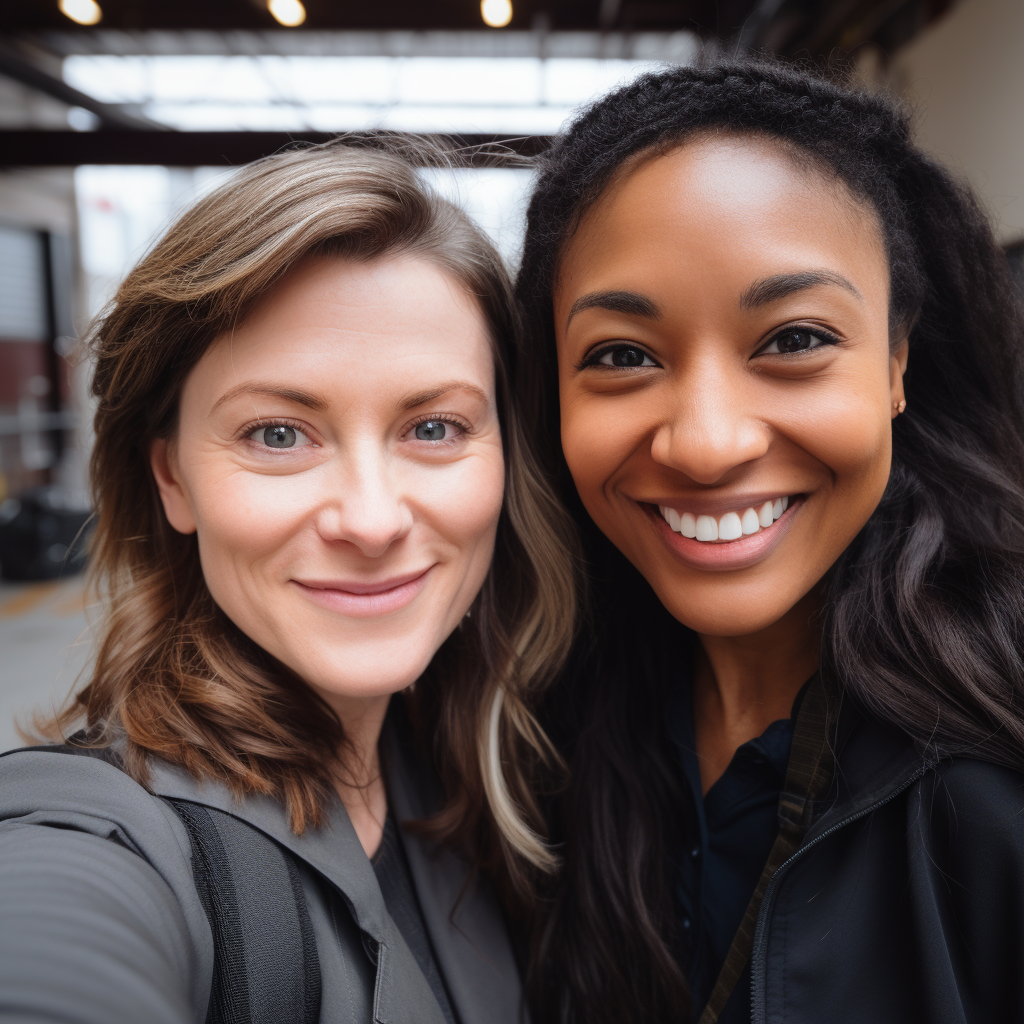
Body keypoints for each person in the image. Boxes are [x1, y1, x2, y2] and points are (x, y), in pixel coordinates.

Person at [0, 141, 576, 1024]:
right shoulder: (100, 838)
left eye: (433, 426)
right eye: (277, 434)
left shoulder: (471, 768)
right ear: (172, 479)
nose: (373, 519)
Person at [514, 60, 1024, 1024]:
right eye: (622, 355)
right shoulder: (527, 727)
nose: (708, 445)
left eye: (793, 339)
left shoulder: (997, 764)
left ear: (896, 360)